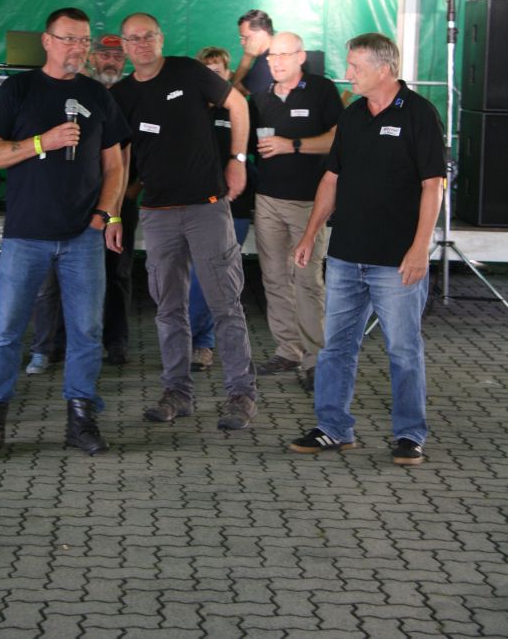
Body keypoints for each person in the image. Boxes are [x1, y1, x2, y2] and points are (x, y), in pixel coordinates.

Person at [0, 7, 129, 461]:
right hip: (26, 236)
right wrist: (43, 142)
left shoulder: (97, 95)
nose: (77, 48)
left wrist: (105, 214)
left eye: (83, 40)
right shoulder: (17, 90)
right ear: (47, 41)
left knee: (87, 331)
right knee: (5, 331)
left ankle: (81, 418)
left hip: (82, 237)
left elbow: (115, 165)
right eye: (68, 38)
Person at [289, 33, 445, 466]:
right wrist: (310, 234)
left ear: (384, 69)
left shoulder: (419, 114)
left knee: (403, 350)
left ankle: (409, 434)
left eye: (355, 66)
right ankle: (333, 427)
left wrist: (420, 248)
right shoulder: (354, 114)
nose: (348, 73)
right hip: (345, 255)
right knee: (336, 346)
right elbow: (331, 179)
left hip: (397, 261)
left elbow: (433, 185)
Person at [112, 13, 257, 430]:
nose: (142, 44)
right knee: (168, 308)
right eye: (133, 38)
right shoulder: (121, 95)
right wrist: (116, 212)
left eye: (149, 36)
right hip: (157, 215)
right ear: (124, 46)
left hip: (206, 207)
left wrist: (237, 159)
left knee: (224, 304)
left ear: (161, 38)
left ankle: (241, 394)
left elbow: (238, 104)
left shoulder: (188, 72)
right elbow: (119, 160)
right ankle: (177, 392)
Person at [24, 32, 136, 372]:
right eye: (104, 55)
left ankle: (115, 341)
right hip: (72, 200)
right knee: (57, 275)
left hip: (118, 201)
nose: (111, 62)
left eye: (117, 57)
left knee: (116, 273)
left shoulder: (132, 93)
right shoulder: (75, 91)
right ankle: (53, 344)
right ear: (92, 58)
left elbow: (130, 152)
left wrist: (120, 201)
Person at [250, 32, 343, 389]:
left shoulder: (321, 90)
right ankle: (288, 350)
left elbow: (339, 138)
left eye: (284, 55)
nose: (276, 62)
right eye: (271, 56)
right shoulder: (261, 97)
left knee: (307, 281)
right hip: (267, 200)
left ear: (301, 56)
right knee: (274, 277)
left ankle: (317, 359)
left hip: (309, 203)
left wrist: (293, 145)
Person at [189, 46, 254, 371]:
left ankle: (205, 343)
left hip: (234, 206)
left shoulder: (240, 110)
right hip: (195, 205)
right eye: (206, 72)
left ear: (228, 75)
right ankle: (196, 340)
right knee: (195, 278)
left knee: (218, 278)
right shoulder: (189, 110)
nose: (212, 77)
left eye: (218, 71)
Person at [232, 9, 274, 96]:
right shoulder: (278, 49)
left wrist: (247, 57)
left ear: (262, 33)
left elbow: (235, 93)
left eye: (245, 37)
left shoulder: (264, 66)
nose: (242, 42)